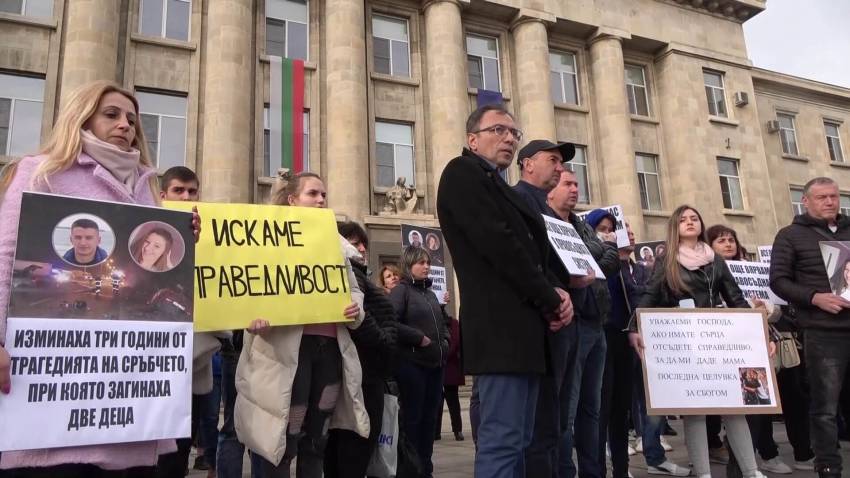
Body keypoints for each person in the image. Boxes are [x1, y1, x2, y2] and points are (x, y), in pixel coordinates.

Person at [0, 80, 200, 476]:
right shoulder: (42, 172)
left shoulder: (146, 187)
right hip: (53, 389)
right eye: (111, 114)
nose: (125, 124)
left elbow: (145, 272)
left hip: (127, 388)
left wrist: (182, 237)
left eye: (132, 118)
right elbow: (5, 256)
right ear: (83, 118)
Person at [436, 103, 573, 478]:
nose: (509, 138)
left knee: (523, 441)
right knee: (502, 443)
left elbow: (535, 251)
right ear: (472, 139)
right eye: (498, 130)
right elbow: (502, 246)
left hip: (527, 335)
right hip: (501, 334)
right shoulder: (462, 173)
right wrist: (549, 296)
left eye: (514, 133)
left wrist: (559, 292)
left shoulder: (499, 185)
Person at [235, 171, 369, 478]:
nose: (321, 200)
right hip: (286, 353)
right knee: (284, 437)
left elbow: (355, 291)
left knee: (317, 439)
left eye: (323, 195)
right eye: (313, 194)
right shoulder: (266, 241)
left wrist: (354, 309)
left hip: (330, 351)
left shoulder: (335, 246)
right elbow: (247, 287)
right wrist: (250, 316)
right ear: (293, 199)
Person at [629, 205, 765, 478]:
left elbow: (735, 298)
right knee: (695, 412)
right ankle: (703, 473)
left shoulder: (714, 259)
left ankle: (751, 471)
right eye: (683, 219)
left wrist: (764, 333)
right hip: (686, 341)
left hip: (719, 340)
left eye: (694, 218)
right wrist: (634, 327)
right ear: (674, 227)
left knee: (734, 407)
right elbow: (650, 296)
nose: (690, 222)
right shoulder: (667, 260)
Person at [770, 177, 850, 478]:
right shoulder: (790, 235)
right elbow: (778, 280)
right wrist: (815, 298)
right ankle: (829, 467)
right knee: (825, 406)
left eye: (834, 196)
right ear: (806, 201)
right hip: (822, 331)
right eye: (822, 197)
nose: (830, 201)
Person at [547, 169, 621, 478]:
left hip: (596, 325)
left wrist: (592, 257)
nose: (576, 189)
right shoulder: (547, 220)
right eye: (568, 183)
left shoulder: (580, 223)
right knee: (567, 408)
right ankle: (566, 470)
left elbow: (610, 260)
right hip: (570, 324)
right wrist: (594, 255)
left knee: (593, 408)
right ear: (551, 189)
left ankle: (594, 472)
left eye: (578, 183)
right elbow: (578, 260)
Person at [511, 138, 576, 477]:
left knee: (554, 421)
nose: (559, 168)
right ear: (528, 163)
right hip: (541, 325)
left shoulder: (555, 208)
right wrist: (553, 294)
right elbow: (525, 259)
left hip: (564, 321)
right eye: (553, 160)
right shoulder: (520, 200)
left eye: (561, 163)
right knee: (539, 425)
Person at [324, 221, 398, 478]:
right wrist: (385, 339)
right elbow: (360, 320)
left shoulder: (359, 274)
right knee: (353, 449)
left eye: (364, 242)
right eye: (356, 243)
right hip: (362, 375)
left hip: (367, 374)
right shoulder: (349, 275)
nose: (363, 247)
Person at [586, 211, 640, 478]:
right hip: (602, 338)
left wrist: (622, 260)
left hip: (624, 340)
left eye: (611, 229)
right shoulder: (597, 261)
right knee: (601, 410)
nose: (608, 233)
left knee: (621, 410)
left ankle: (621, 468)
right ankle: (596, 469)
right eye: (602, 229)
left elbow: (635, 300)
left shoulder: (626, 266)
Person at [389, 246, 450, 477]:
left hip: (435, 367)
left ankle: (426, 470)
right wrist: (418, 338)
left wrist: (445, 342)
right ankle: (411, 471)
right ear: (408, 265)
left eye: (428, 263)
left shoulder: (431, 294)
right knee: (413, 423)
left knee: (429, 422)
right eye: (421, 263)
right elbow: (391, 322)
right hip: (411, 366)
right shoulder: (401, 292)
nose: (426, 266)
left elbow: (443, 323)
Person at [436, 315, 465, 442]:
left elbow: (456, 342)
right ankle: (436, 431)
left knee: (452, 401)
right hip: (439, 365)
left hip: (449, 366)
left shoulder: (453, 323)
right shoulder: (440, 321)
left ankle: (457, 430)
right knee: (438, 402)